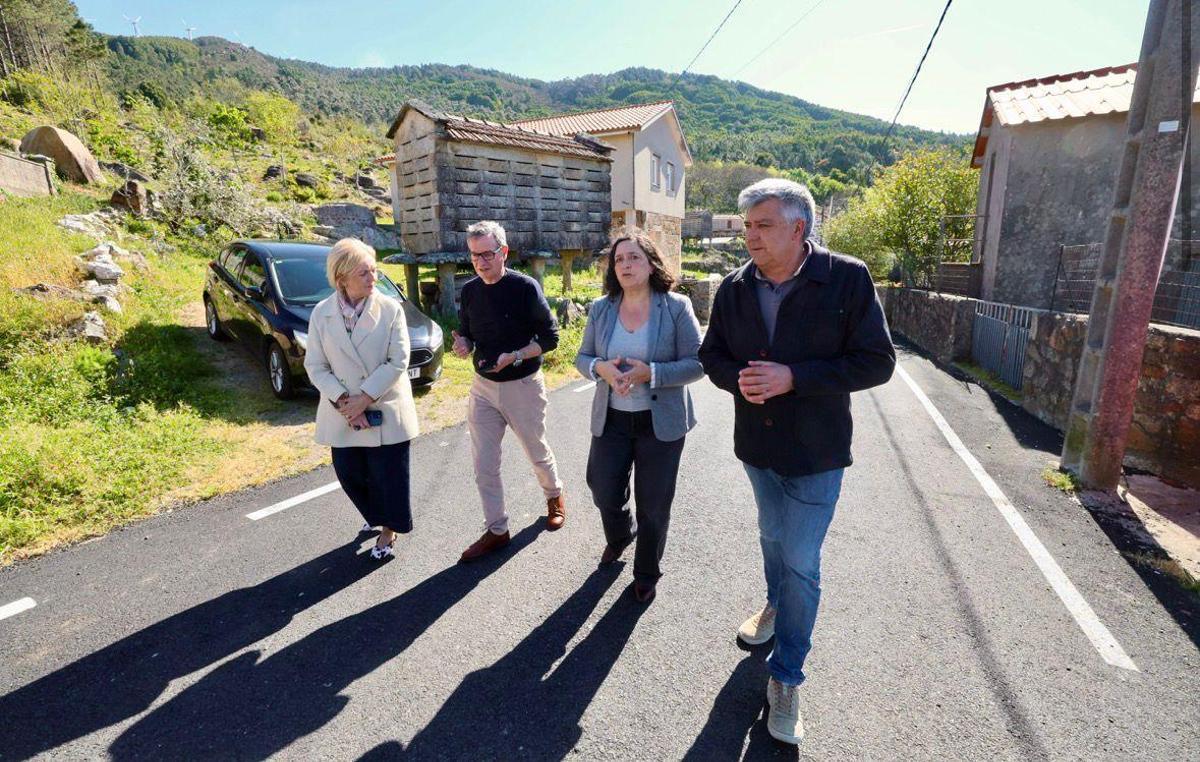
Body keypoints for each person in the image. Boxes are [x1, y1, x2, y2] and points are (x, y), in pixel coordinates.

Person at [698, 179, 895, 745]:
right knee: (771, 538)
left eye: (762, 225)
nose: (749, 236)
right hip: (757, 448)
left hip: (816, 452)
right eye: (747, 226)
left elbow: (877, 362)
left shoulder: (847, 278)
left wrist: (795, 378)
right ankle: (774, 603)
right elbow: (713, 355)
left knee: (801, 557)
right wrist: (738, 380)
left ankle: (786, 677)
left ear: (798, 228)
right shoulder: (735, 288)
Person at [574, 230, 703, 604]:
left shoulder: (675, 306)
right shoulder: (601, 308)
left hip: (659, 421)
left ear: (650, 263)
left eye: (634, 257)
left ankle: (647, 571)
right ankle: (619, 535)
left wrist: (653, 373)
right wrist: (602, 368)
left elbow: (697, 363)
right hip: (612, 418)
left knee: (654, 503)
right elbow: (581, 358)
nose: (626, 265)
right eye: (619, 260)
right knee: (602, 489)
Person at [451, 220, 566, 561]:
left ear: (503, 252)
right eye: (474, 255)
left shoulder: (525, 287)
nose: (480, 262)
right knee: (484, 463)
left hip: (522, 385)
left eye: (487, 254)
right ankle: (497, 530)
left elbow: (551, 339)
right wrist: (463, 344)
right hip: (483, 387)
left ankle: (554, 496)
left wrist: (515, 356)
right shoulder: (469, 290)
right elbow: (468, 333)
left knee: (536, 450)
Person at [304, 238, 420, 560]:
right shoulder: (321, 314)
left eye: (374, 271)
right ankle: (376, 514)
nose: (373, 279)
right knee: (349, 473)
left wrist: (364, 398)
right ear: (341, 278)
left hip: (383, 407)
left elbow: (399, 360)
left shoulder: (390, 309)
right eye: (364, 273)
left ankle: (389, 528)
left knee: (390, 476)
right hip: (342, 412)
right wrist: (344, 400)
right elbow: (314, 364)